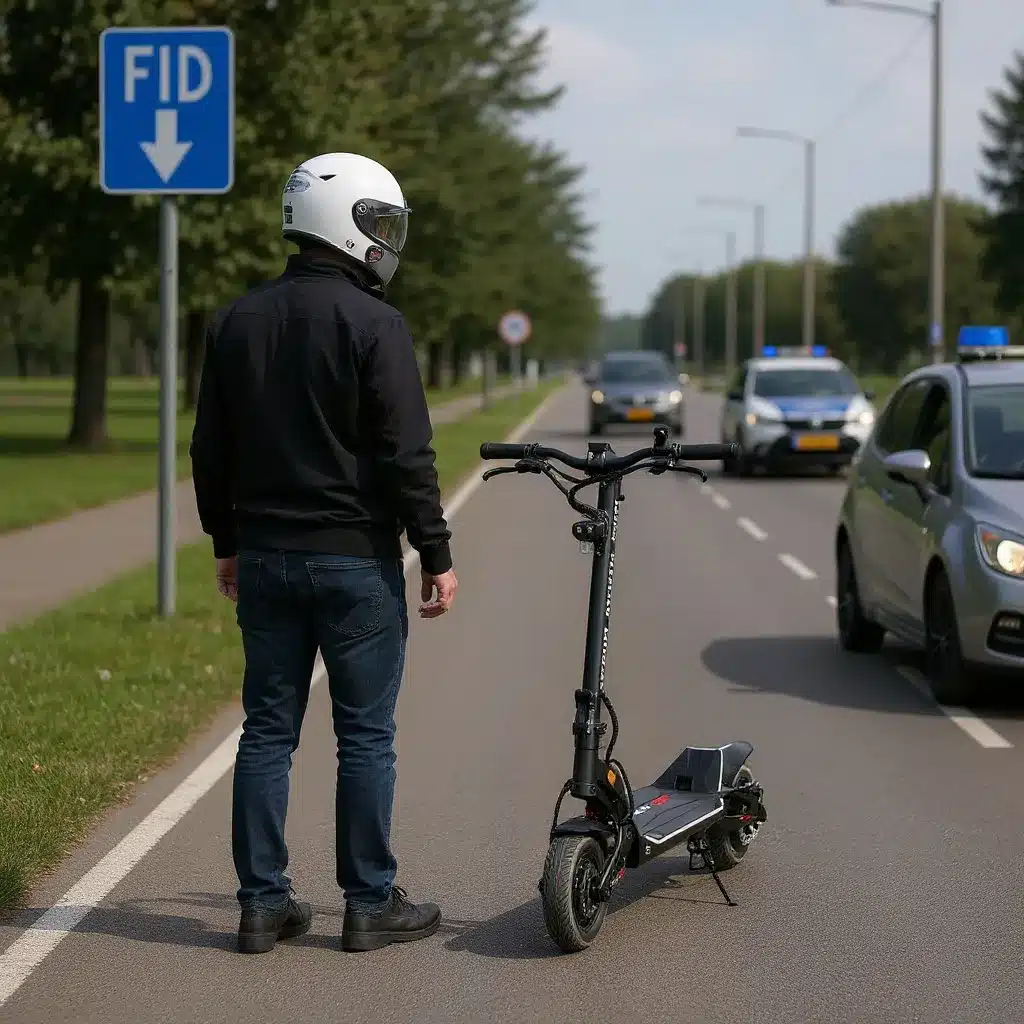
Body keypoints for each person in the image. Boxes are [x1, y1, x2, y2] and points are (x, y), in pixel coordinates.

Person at [189, 152, 459, 955]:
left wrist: (227, 543)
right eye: (378, 222)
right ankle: (369, 903)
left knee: (267, 731)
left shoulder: (235, 320)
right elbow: (406, 453)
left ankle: (261, 904)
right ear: (345, 227)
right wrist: (436, 552)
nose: (386, 239)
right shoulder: (375, 324)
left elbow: (210, 449)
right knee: (365, 736)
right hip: (354, 563)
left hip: (267, 557)